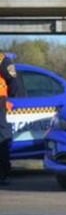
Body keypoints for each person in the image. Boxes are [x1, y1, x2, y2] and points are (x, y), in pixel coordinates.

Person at [0, 53, 26, 185]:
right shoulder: (2, 59)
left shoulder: (3, 59)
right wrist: (11, 98)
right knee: (3, 138)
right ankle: (2, 174)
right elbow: (13, 82)